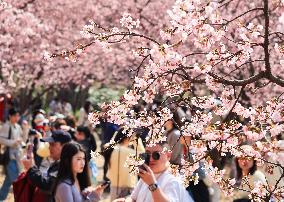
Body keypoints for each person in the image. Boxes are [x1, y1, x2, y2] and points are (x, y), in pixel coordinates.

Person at [116, 142, 194, 202]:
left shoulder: (174, 180)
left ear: (168, 156)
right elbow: (133, 198)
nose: (150, 159)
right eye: (147, 154)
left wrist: (152, 185)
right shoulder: (147, 176)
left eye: (156, 155)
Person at [22, 130, 72, 202]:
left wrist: (31, 168)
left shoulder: (68, 164)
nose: (49, 148)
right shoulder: (64, 161)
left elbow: (49, 186)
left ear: (64, 147)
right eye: (49, 144)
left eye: (52, 144)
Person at [107, 129, 144, 201]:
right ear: (127, 138)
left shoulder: (112, 148)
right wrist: (137, 138)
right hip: (126, 186)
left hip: (115, 185)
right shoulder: (123, 150)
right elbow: (142, 154)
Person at [0, 108, 28, 200]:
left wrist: (26, 129)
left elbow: (23, 140)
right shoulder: (6, 126)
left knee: (8, 181)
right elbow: (1, 139)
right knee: (17, 180)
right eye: (15, 116)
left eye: (18, 116)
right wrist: (13, 142)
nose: (17, 118)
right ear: (10, 116)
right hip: (9, 157)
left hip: (17, 157)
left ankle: (1, 198)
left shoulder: (18, 126)